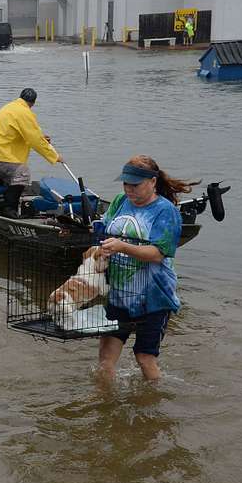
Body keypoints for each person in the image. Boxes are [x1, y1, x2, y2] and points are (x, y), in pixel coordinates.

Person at [96, 156, 197, 382]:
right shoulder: (120, 201)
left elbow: (159, 253)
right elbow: (103, 228)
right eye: (125, 184)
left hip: (154, 297)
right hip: (119, 294)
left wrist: (122, 246)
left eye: (135, 184)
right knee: (105, 359)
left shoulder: (165, 211)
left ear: (152, 182)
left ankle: (155, 395)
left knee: (144, 357)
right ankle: (108, 405)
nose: (129, 189)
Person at [0, 88, 63, 216]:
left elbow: (25, 133)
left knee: (17, 179)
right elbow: (34, 139)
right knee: (22, 173)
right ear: (33, 103)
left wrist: (41, 138)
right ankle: (9, 208)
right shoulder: (24, 112)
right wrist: (55, 157)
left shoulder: (9, 107)